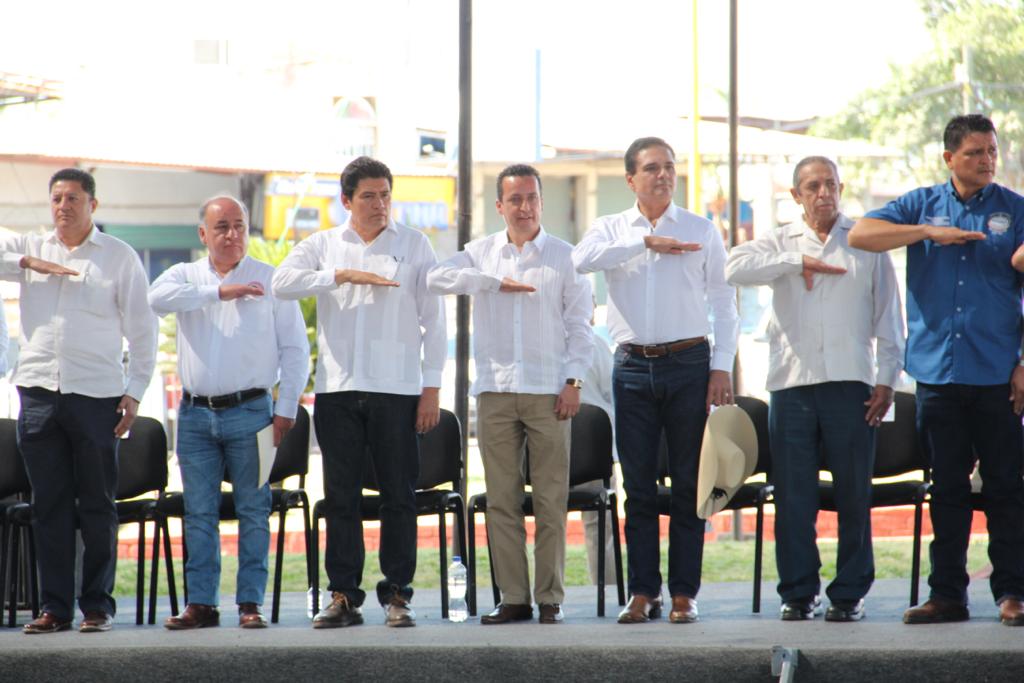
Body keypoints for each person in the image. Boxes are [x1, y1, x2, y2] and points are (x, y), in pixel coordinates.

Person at [849, 114, 1024, 627]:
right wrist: (927, 233)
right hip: (938, 376)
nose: (986, 160)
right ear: (949, 158)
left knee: (1006, 488)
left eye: (991, 151)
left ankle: (1012, 592)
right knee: (945, 489)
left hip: (996, 374)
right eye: (974, 153)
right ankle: (947, 595)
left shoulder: (1014, 209)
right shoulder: (920, 204)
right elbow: (861, 234)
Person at [725, 157, 905, 622]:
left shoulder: (865, 239)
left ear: (841, 188)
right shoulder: (779, 242)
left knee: (852, 494)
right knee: (794, 497)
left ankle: (848, 594)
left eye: (830, 184)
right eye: (812, 186)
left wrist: (887, 379)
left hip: (852, 384)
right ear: (796, 195)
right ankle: (799, 593)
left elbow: (889, 315)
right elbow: (733, 269)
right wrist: (793, 262)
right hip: (792, 386)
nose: (823, 193)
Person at [272, 156, 445, 628]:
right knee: (341, 496)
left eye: (385, 194)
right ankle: (344, 595)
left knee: (398, 495)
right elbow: (280, 282)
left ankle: (398, 596)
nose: (379, 204)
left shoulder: (415, 243)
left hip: (398, 388)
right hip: (338, 389)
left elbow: (436, 321)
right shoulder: (324, 245)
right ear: (346, 200)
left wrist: (430, 389)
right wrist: (340, 275)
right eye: (368, 195)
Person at [572, 137, 739, 624]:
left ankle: (685, 592)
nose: (662, 175)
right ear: (631, 179)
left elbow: (724, 302)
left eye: (669, 167)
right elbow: (580, 260)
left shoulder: (701, 229)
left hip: (689, 365)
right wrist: (643, 242)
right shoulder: (610, 229)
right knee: (639, 487)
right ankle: (644, 592)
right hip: (631, 367)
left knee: (690, 484)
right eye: (651, 169)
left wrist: (721, 365)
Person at [427, 164, 593, 624]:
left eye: (532, 198)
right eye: (514, 199)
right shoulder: (480, 253)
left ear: (542, 201)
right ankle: (514, 598)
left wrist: (574, 382)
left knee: (550, 501)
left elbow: (581, 326)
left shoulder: (566, 257)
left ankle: (550, 599)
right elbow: (434, 278)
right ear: (499, 206)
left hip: (550, 393)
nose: (524, 207)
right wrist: (490, 282)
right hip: (496, 394)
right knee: (501, 501)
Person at [0, 168, 157, 634]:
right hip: (40, 393)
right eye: (56, 198)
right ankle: (54, 609)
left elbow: (143, 330)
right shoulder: (31, 247)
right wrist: (30, 265)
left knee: (96, 505)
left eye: (73, 198)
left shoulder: (119, 257)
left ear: (94, 204)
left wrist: (136, 392)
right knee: (49, 506)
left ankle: (96, 607)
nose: (63, 206)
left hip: (97, 395)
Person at [149, 196, 309, 630]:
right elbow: (155, 299)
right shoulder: (185, 277)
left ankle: (249, 604)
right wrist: (218, 292)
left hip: (253, 412)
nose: (232, 234)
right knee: (198, 511)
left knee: (253, 510)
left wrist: (286, 407)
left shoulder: (271, 279)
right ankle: (201, 603)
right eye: (221, 227)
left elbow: (296, 349)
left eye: (239, 225)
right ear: (203, 234)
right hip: (196, 416)